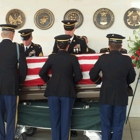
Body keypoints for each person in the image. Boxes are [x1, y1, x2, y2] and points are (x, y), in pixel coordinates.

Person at [89, 33, 136, 140]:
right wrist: (124, 83)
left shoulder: (103, 58)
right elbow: (132, 78)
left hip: (106, 95)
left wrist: (100, 81)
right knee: (118, 124)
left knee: (105, 124)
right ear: (121, 46)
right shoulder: (126, 60)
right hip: (121, 95)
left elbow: (93, 75)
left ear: (109, 46)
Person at [39, 34, 82, 140]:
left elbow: (41, 73)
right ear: (68, 45)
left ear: (58, 45)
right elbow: (79, 76)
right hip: (67, 92)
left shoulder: (52, 57)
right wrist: (70, 82)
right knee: (66, 120)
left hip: (53, 91)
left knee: (55, 121)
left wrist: (49, 81)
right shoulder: (72, 58)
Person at [0, 24, 27, 140]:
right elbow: (23, 69)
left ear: (1, 35)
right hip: (11, 86)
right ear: (13, 35)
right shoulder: (17, 47)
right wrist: (20, 82)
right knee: (11, 115)